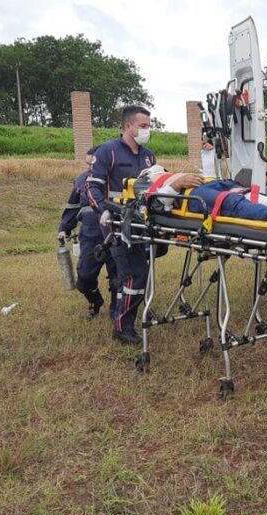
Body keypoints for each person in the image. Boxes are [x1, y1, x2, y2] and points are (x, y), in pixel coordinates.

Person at [85, 106, 161, 344]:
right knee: (133, 272)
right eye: (143, 126)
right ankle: (122, 326)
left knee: (134, 272)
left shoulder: (148, 155)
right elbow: (91, 186)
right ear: (128, 126)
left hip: (142, 222)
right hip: (117, 222)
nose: (147, 130)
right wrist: (103, 209)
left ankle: (123, 314)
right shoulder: (109, 152)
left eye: (149, 126)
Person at [59, 146, 119, 319]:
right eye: (88, 164)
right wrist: (64, 228)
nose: (90, 168)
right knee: (84, 278)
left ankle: (117, 311)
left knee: (118, 278)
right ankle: (95, 300)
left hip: (115, 234)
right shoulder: (81, 180)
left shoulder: (117, 178)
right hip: (90, 235)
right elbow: (72, 206)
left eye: (93, 163)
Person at [143, 165, 267, 222]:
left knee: (246, 193)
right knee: (229, 202)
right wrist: (178, 184)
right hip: (190, 193)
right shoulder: (139, 183)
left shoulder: (157, 171)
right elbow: (155, 205)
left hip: (208, 183)